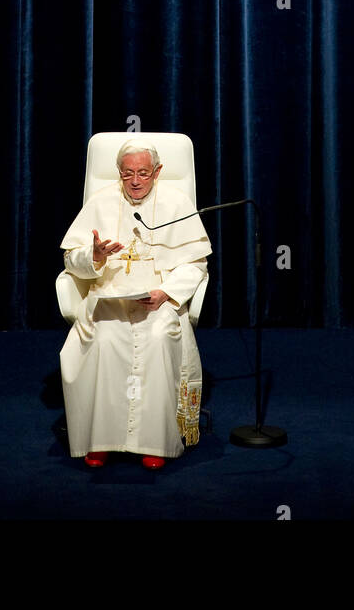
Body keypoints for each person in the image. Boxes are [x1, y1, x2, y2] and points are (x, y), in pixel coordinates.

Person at [59, 140, 210, 468]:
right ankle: (99, 439)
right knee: (104, 339)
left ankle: (154, 442)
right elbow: (72, 259)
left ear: (157, 172)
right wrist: (94, 256)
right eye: (128, 174)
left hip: (158, 298)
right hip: (109, 295)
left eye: (143, 173)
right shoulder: (101, 202)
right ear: (119, 173)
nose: (136, 181)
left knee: (157, 339)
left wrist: (166, 292)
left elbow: (195, 264)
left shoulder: (176, 202)